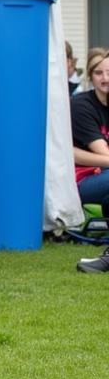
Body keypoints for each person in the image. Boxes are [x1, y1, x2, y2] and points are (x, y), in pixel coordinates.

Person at [72, 47, 109, 273]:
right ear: (89, 76)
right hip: (80, 183)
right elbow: (104, 153)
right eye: (98, 73)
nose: (105, 78)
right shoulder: (82, 106)